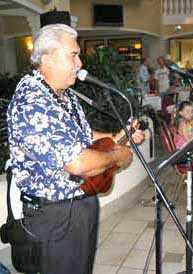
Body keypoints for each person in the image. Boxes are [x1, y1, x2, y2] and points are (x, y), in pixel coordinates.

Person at [6, 24, 144, 274]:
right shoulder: (33, 101)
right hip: (55, 214)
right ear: (47, 58)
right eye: (73, 55)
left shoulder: (63, 94)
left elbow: (84, 134)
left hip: (78, 204)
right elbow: (77, 163)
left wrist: (120, 137)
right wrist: (118, 155)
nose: (80, 62)